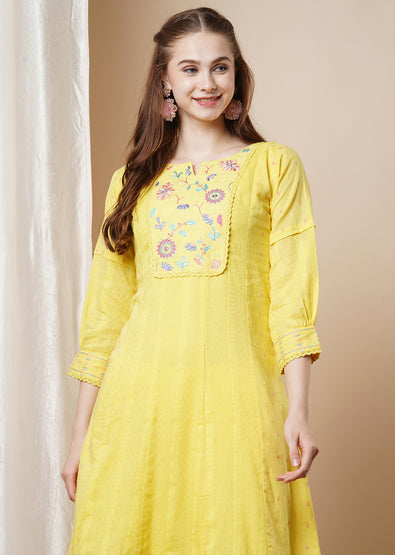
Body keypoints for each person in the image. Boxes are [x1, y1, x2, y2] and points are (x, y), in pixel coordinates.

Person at [61, 6, 322, 553]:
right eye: (190, 68)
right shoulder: (130, 184)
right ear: (165, 81)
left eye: (220, 67)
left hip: (241, 401)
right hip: (139, 406)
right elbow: (106, 316)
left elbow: (291, 299)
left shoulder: (274, 167)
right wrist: (80, 434)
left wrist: (298, 409)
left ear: (237, 76)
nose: (207, 83)